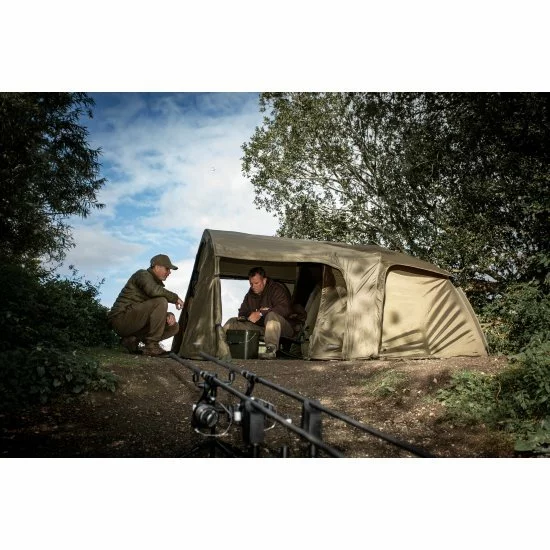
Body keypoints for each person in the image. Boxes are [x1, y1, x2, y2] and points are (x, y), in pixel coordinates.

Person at [108, 254, 184, 357]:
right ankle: (151, 347)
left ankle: (132, 340)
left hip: (135, 322)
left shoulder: (156, 286)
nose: (169, 272)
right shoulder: (142, 274)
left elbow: (152, 309)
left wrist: (169, 315)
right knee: (161, 301)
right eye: (167, 269)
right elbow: (153, 291)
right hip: (120, 319)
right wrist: (175, 298)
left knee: (173, 327)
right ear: (156, 267)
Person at [223, 267, 296, 360]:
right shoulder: (249, 295)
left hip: (283, 327)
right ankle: (218, 347)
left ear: (264, 280)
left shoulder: (276, 289)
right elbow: (242, 312)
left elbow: (285, 309)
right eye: (251, 284)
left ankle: (271, 350)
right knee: (233, 322)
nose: (253, 286)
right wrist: (250, 315)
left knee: (271, 315)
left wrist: (261, 313)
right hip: (261, 328)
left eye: (256, 283)